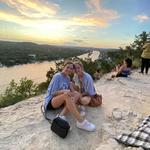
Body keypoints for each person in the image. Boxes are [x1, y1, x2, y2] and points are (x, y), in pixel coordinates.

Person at [44, 61, 96, 132]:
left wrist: (73, 91)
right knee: (66, 95)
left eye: (71, 68)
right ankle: (81, 122)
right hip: (51, 101)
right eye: (67, 67)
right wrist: (64, 91)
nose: (69, 69)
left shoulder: (68, 78)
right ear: (64, 67)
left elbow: (71, 91)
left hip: (61, 101)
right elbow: (52, 93)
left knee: (77, 94)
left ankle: (61, 116)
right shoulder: (57, 76)